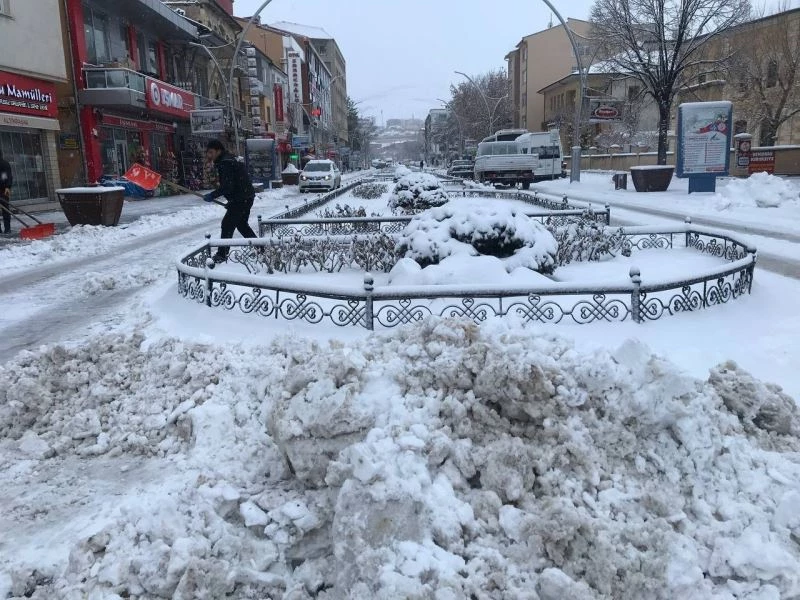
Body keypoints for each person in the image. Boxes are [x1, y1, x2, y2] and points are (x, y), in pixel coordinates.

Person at [203, 139, 257, 262]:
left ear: (218, 151)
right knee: (242, 225)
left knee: (227, 224)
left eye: (211, 152)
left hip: (241, 198)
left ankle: (222, 255)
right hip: (245, 197)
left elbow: (228, 186)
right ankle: (261, 248)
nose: (209, 155)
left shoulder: (225, 162)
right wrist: (232, 200)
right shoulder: (229, 159)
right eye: (208, 152)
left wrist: (213, 195)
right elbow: (236, 182)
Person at [0, 151, 12, 234]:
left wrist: (7, 187)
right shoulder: (5, 163)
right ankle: (7, 229)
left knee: (5, 210)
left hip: (3, 190)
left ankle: (7, 229)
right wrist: (7, 186)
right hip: (4, 189)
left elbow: (8, 175)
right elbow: (8, 176)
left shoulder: (4, 164)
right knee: (6, 210)